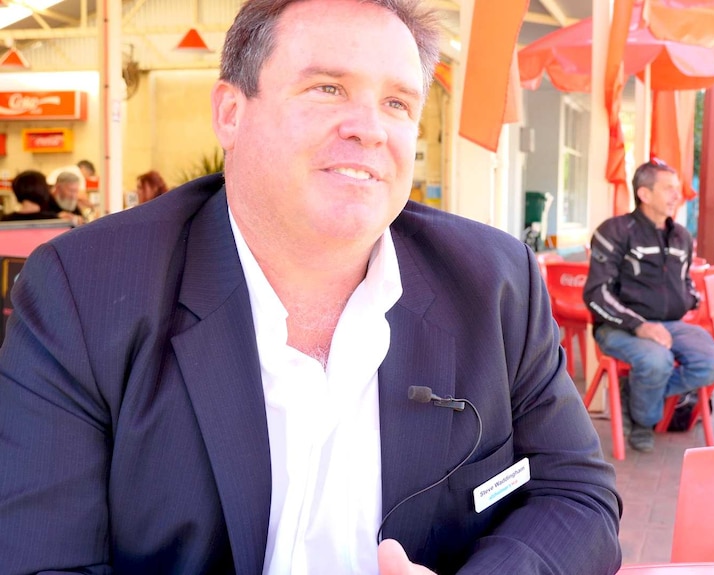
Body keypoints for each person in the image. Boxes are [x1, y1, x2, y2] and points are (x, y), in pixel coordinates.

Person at [0, 1, 622, 574]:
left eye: (399, 103)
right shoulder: (84, 292)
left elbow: (576, 495)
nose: (370, 129)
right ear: (231, 114)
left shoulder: (494, 282)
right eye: (328, 89)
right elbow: (41, 558)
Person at [583, 159, 714, 453]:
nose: (677, 195)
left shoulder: (682, 237)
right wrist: (640, 325)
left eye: (677, 189)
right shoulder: (615, 231)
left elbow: (687, 283)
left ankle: (637, 394)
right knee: (656, 361)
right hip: (619, 327)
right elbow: (596, 294)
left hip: (672, 324)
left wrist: (689, 300)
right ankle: (643, 421)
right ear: (645, 194)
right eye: (669, 189)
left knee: (712, 363)